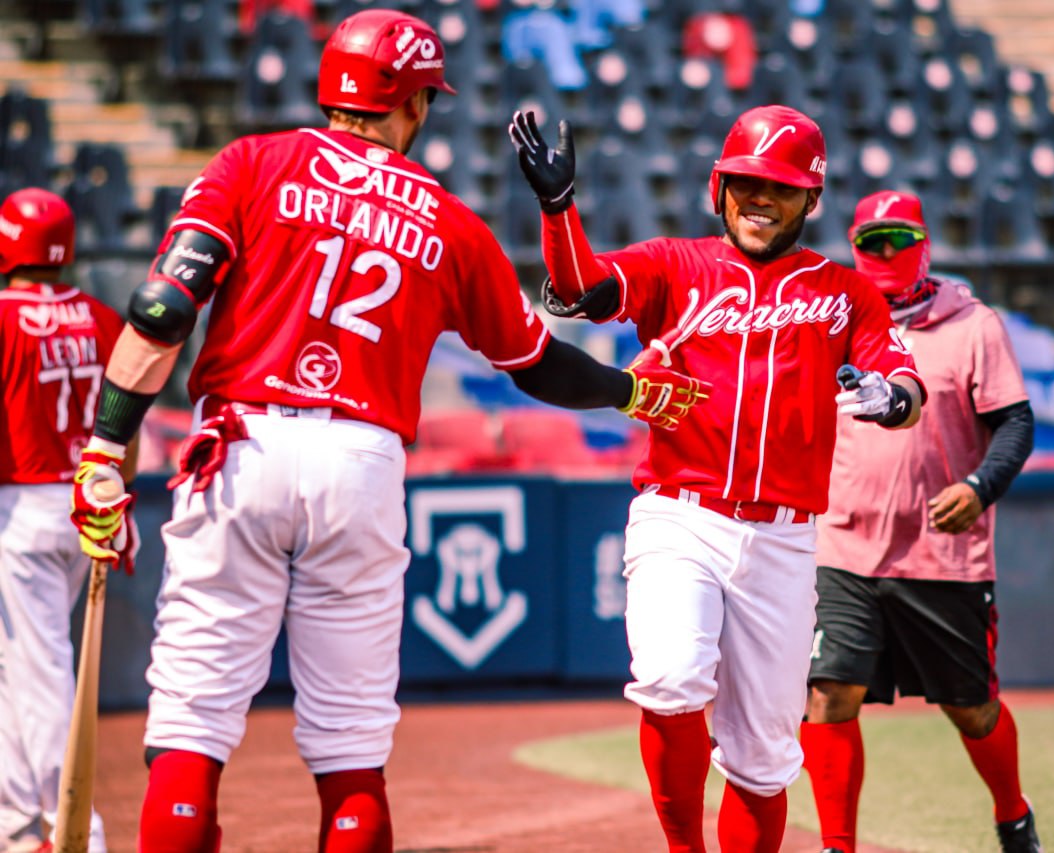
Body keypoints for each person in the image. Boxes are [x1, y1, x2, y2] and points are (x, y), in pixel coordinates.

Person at [65, 9, 705, 852]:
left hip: (242, 444)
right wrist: (632, 390)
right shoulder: (448, 219)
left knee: (191, 722)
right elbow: (537, 363)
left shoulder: (252, 162)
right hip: (360, 463)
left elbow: (162, 310)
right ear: (408, 101)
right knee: (351, 748)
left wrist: (106, 448)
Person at [509, 105, 926, 852]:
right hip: (681, 514)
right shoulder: (675, 263)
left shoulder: (846, 292)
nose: (760, 198)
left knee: (764, 760)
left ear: (811, 198)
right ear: (718, 187)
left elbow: (904, 382)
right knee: (670, 679)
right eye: (745, 183)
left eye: (781, 187)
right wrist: (558, 207)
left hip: (785, 539)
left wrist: (891, 397)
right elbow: (582, 286)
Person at [800, 190, 1040, 853]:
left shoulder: (973, 324)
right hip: (844, 545)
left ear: (925, 244)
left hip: (943, 553)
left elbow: (1015, 422)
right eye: (871, 240)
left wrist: (980, 487)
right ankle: (837, 845)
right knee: (829, 691)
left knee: (971, 707)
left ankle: (1013, 815)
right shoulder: (830, 319)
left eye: (899, 239)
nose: (885, 251)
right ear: (853, 246)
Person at [0, 188, 137, 853]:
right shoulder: (101, 316)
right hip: (88, 502)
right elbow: (128, 420)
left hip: (21, 505)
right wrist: (118, 493)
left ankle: (77, 828)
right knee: (16, 664)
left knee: (40, 668)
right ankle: (17, 823)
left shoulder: (3, 317)